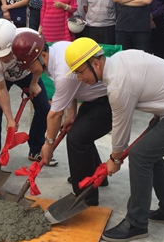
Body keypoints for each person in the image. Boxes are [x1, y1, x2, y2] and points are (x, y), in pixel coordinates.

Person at [63, 38, 164, 242]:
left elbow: (121, 129)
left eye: (81, 72)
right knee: (149, 153)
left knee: (140, 156)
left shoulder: (118, 85)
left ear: (96, 64)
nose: (80, 78)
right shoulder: (120, 59)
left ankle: (136, 223)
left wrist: (114, 159)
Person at [12, 33, 112, 203]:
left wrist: (48, 144)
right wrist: (71, 115)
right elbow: (71, 89)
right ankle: (94, 176)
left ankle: (85, 196)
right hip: (93, 99)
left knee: (77, 139)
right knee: (79, 134)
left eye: (30, 66)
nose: (29, 71)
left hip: (108, 101)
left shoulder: (63, 70)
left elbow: (55, 114)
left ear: (43, 56)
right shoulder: (57, 50)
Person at [0, 20, 52, 170]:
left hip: (29, 73)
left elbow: (40, 64)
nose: (2, 59)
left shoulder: (30, 39)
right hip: (3, 80)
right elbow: (0, 88)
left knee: (44, 108)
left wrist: (34, 82)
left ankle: (36, 149)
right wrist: (10, 119)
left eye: (6, 54)